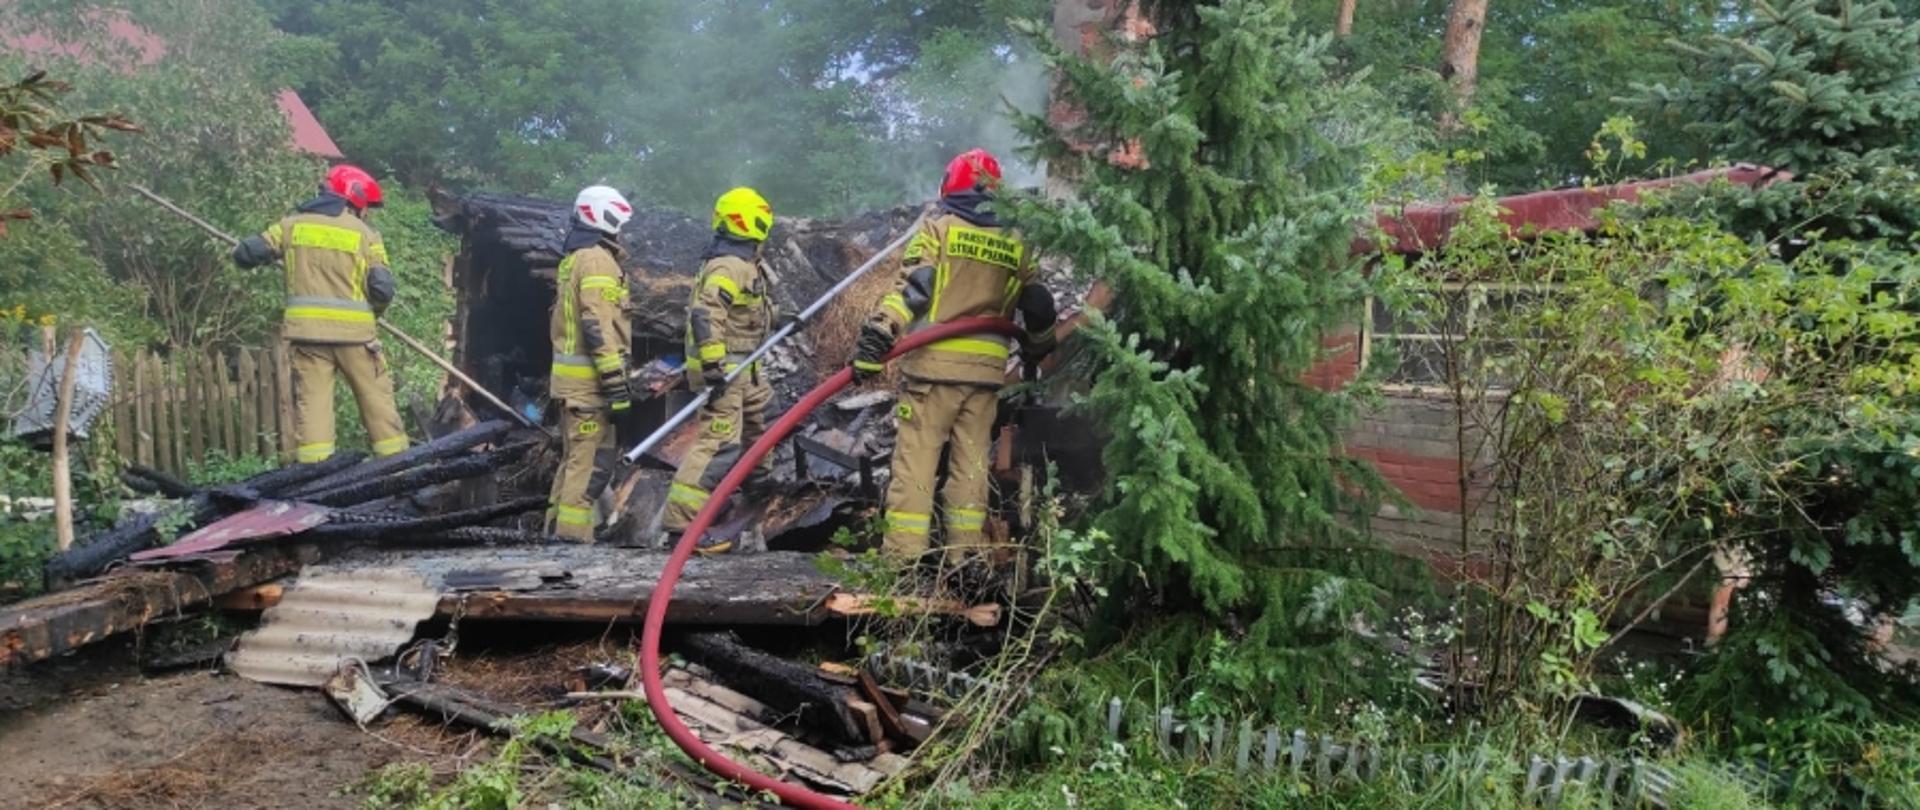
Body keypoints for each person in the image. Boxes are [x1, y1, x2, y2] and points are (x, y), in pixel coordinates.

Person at [851, 149, 1057, 566]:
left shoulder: (938, 230)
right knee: (971, 468)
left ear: (950, 185)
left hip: (932, 374)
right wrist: (1037, 347)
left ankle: (902, 564)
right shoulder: (1017, 244)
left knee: (917, 465)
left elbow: (914, 290)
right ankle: (964, 560)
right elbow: (1038, 305)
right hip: (984, 379)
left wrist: (878, 334)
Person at [233, 164, 408, 464]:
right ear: (355, 200)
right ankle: (401, 470)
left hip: (308, 338)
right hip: (357, 339)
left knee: (313, 410)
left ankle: (317, 479)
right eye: (367, 207)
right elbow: (382, 289)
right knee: (378, 406)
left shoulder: (290, 226)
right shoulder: (366, 235)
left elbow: (247, 253)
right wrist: (373, 315)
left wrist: (258, 254)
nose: (368, 213)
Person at [661, 187, 778, 554]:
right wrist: (713, 365)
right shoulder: (728, 265)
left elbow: (743, 316)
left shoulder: (743, 263)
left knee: (765, 423)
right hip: (727, 369)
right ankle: (683, 528)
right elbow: (706, 313)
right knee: (719, 444)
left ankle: (756, 490)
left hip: (747, 368)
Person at [546, 185, 636, 541]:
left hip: (575, 384)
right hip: (590, 387)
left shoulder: (575, 257)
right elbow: (597, 324)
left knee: (573, 463)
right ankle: (569, 545)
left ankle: (553, 534)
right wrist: (615, 382)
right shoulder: (597, 259)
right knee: (587, 467)